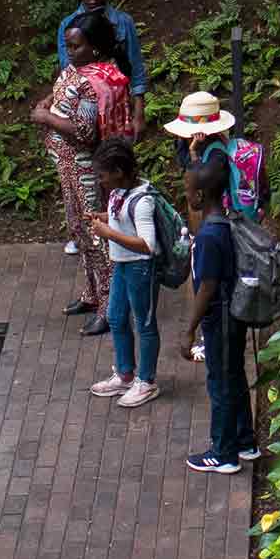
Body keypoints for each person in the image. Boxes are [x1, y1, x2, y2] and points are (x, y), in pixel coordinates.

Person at [35, 14, 115, 328]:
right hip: (66, 167)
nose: (69, 50)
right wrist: (47, 101)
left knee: (96, 234)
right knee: (77, 229)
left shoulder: (91, 81)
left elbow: (84, 132)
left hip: (84, 169)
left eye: (76, 45)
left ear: (94, 48)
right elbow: (59, 93)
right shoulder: (74, 70)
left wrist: (46, 118)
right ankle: (91, 292)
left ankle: (109, 306)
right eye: (67, 44)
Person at [183, 153, 260, 474]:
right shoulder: (224, 221)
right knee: (234, 376)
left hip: (221, 319)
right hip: (235, 315)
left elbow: (207, 288)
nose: (185, 197)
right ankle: (245, 440)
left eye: (187, 192)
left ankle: (224, 452)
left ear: (199, 196)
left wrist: (190, 329)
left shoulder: (209, 237)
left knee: (220, 384)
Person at [87, 140, 163, 406]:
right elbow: (121, 217)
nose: (100, 180)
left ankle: (147, 381)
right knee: (116, 317)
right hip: (122, 264)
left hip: (140, 267)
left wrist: (109, 234)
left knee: (144, 323)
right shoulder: (119, 191)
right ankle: (125, 374)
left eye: (103, 174)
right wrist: (102, 217)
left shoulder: (143, 201)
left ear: (119, 171)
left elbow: (147, 245)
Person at [57, 0, 147, 132]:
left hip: (119, 106)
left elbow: (135, 68)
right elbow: (66, 69)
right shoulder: (68, 25)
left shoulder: (123, 22)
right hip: (83, 108)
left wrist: (139, 114)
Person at [164, 89, 261, 222]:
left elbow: (196, 201)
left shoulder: (216, 156)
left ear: (197, 133)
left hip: (226, 222)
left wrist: (193, 152)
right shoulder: (219, 142)